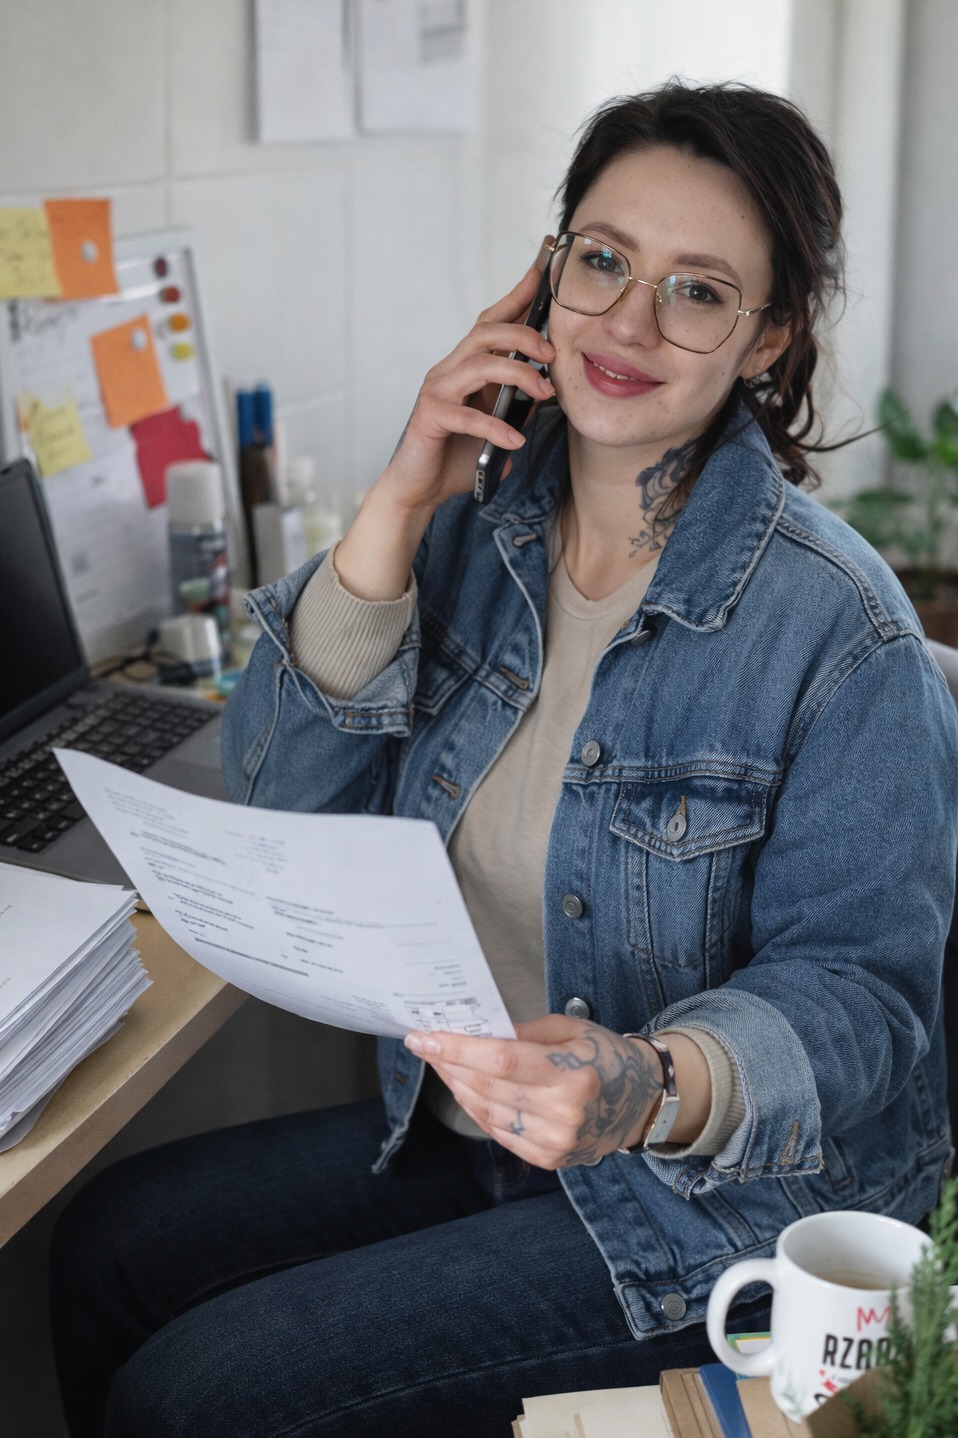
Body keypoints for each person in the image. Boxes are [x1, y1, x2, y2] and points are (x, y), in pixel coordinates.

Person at [50, 81, 958, 1438]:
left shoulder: (838, 632)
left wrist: (641, 1085)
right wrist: (401, 495)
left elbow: (861, 1007)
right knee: (107, 1244)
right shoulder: (477, 532)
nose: (628, 324)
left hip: (716, 1201)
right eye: (601, 261)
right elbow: (281, 802)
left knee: (202, 1392)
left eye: (696, 292)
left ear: (766, 340)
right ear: (544, 274)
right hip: (475, 1136)